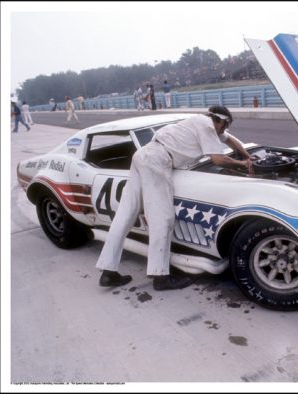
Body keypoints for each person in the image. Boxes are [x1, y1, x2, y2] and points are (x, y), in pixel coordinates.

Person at [96, 106, 254, 290]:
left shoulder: (198, 120)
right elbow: (218, 160)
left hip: (142, 155)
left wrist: (248, 155)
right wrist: (242, 163)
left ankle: (107, 272)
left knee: (125, 214)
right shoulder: (209, 127)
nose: (224, 130)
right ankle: (160, 276)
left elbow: (231, 141)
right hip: (158, 160)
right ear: (221, 121)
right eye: (225, 126)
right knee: (162, 219)